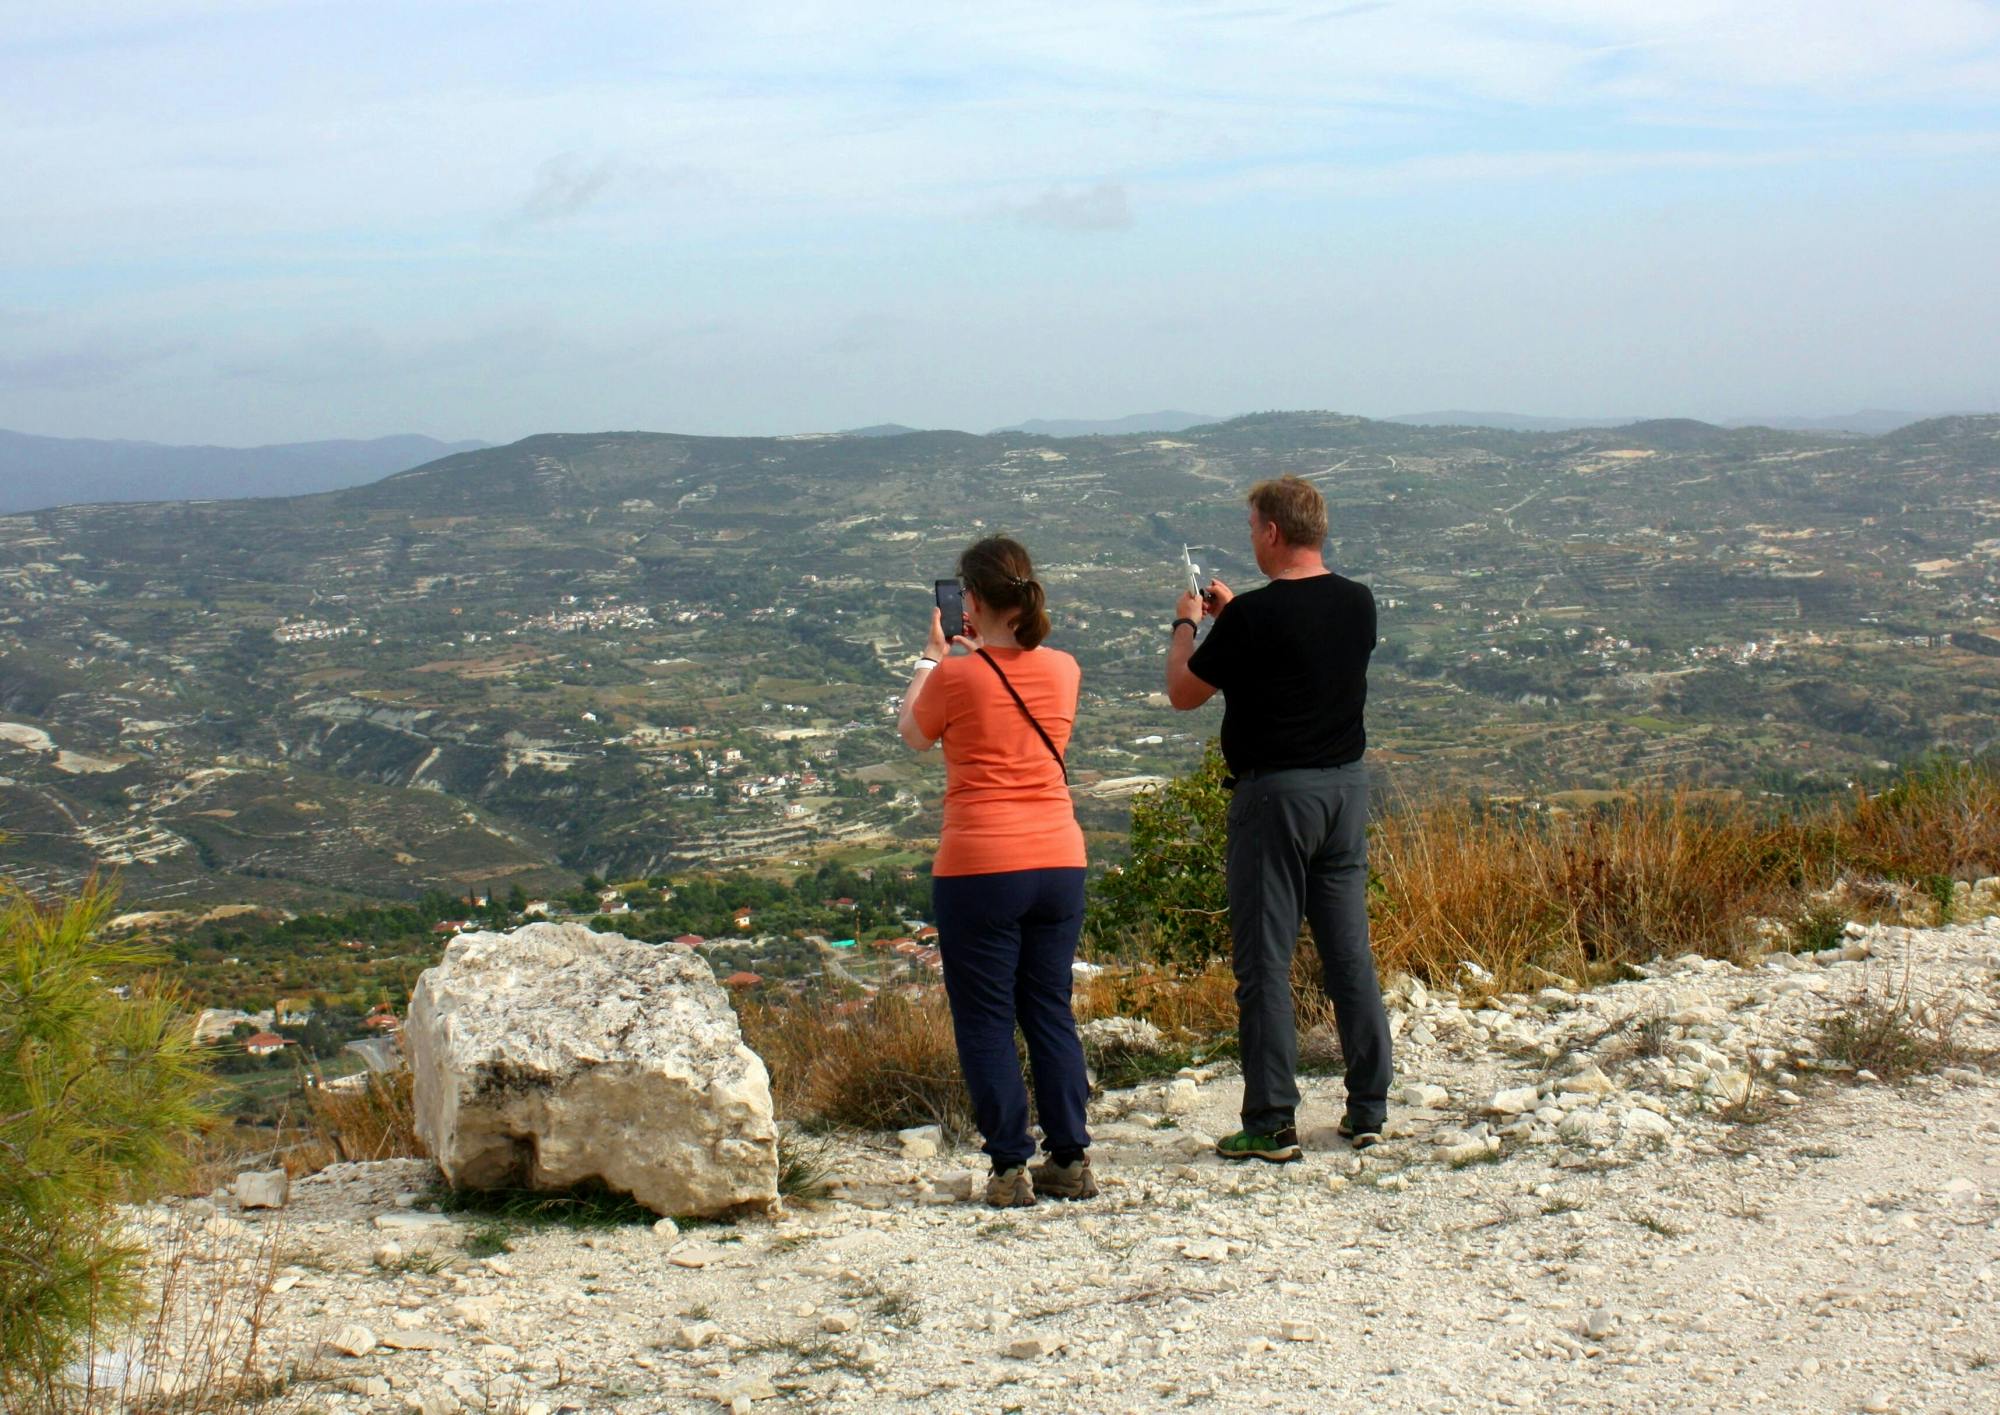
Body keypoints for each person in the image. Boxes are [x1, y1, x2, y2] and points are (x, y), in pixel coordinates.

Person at [1163, 475, 1392, 1161]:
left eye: (1252, 526)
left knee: (1265, 960)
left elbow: (1183, 692)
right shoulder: (1358, 602)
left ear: (1271, 531)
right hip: (1345, 792)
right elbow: (1301, 650)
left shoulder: (1252, 620)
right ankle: (1368, 1107)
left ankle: (1270, 1120)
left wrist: (1188, 625)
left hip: (1275, 798)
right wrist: (1238, 620)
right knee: (1348, 952)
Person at [897, 535, 1094, 1206]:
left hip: (980, 862)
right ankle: (1070, 1158)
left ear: (970, 602)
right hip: (1059, 858)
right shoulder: (1065, 668)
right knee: (1049, 1009)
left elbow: (914, 734)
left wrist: (932, 654)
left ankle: (1010, 1167)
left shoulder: (954, 673)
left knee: (985, 1017)